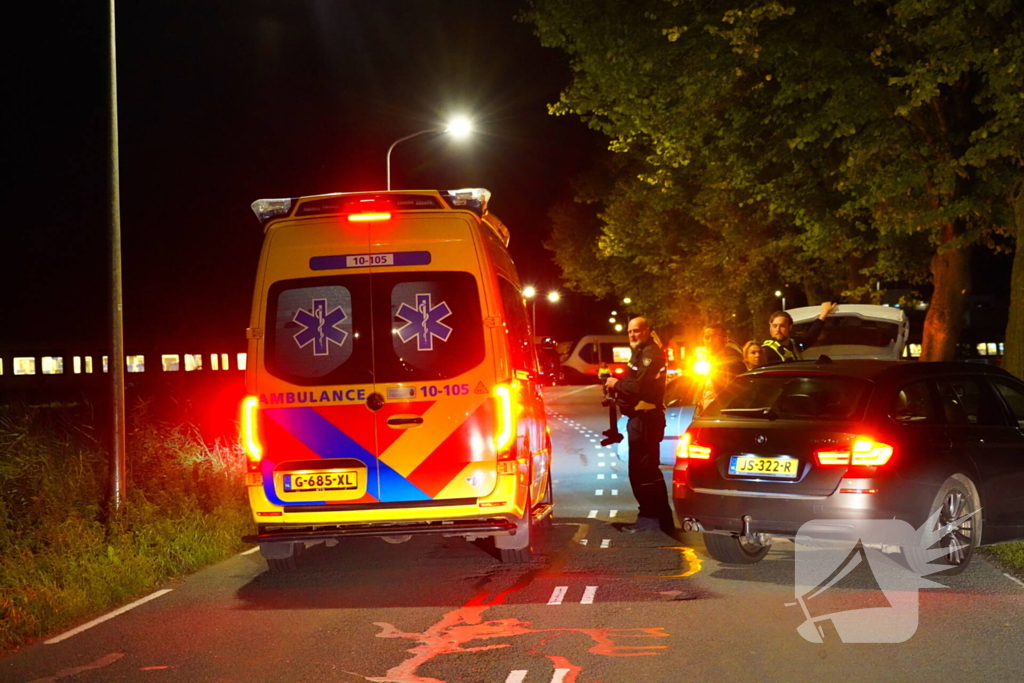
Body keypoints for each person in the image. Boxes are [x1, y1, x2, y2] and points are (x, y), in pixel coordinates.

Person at [604, 317, 672, 533]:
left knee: (642, 472)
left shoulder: (650, 354)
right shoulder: (641, 352)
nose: (633, 335)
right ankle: (660, 520)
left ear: (648, 331)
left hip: (645, 420)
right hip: (641, 420)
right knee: (648, 471)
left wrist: (616, 383)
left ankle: (650, 519)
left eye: (637, 331)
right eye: (630, 331)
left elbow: (638, 386)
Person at [762, 301, 838, 365]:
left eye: (782, 326)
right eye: (774, 326)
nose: (778, 330)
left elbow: (811, 336)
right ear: (770, 327)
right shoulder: (767, 351)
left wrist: (824, 314)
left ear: (790, 327)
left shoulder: (794, 344)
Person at [696, 324, 747, 412]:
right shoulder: (709, 361)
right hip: (709, 414)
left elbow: (732, 395)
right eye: (707, 337)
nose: (710, 340)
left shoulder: (731, 362)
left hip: (721, 415)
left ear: (725, 339)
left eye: (715, 336)